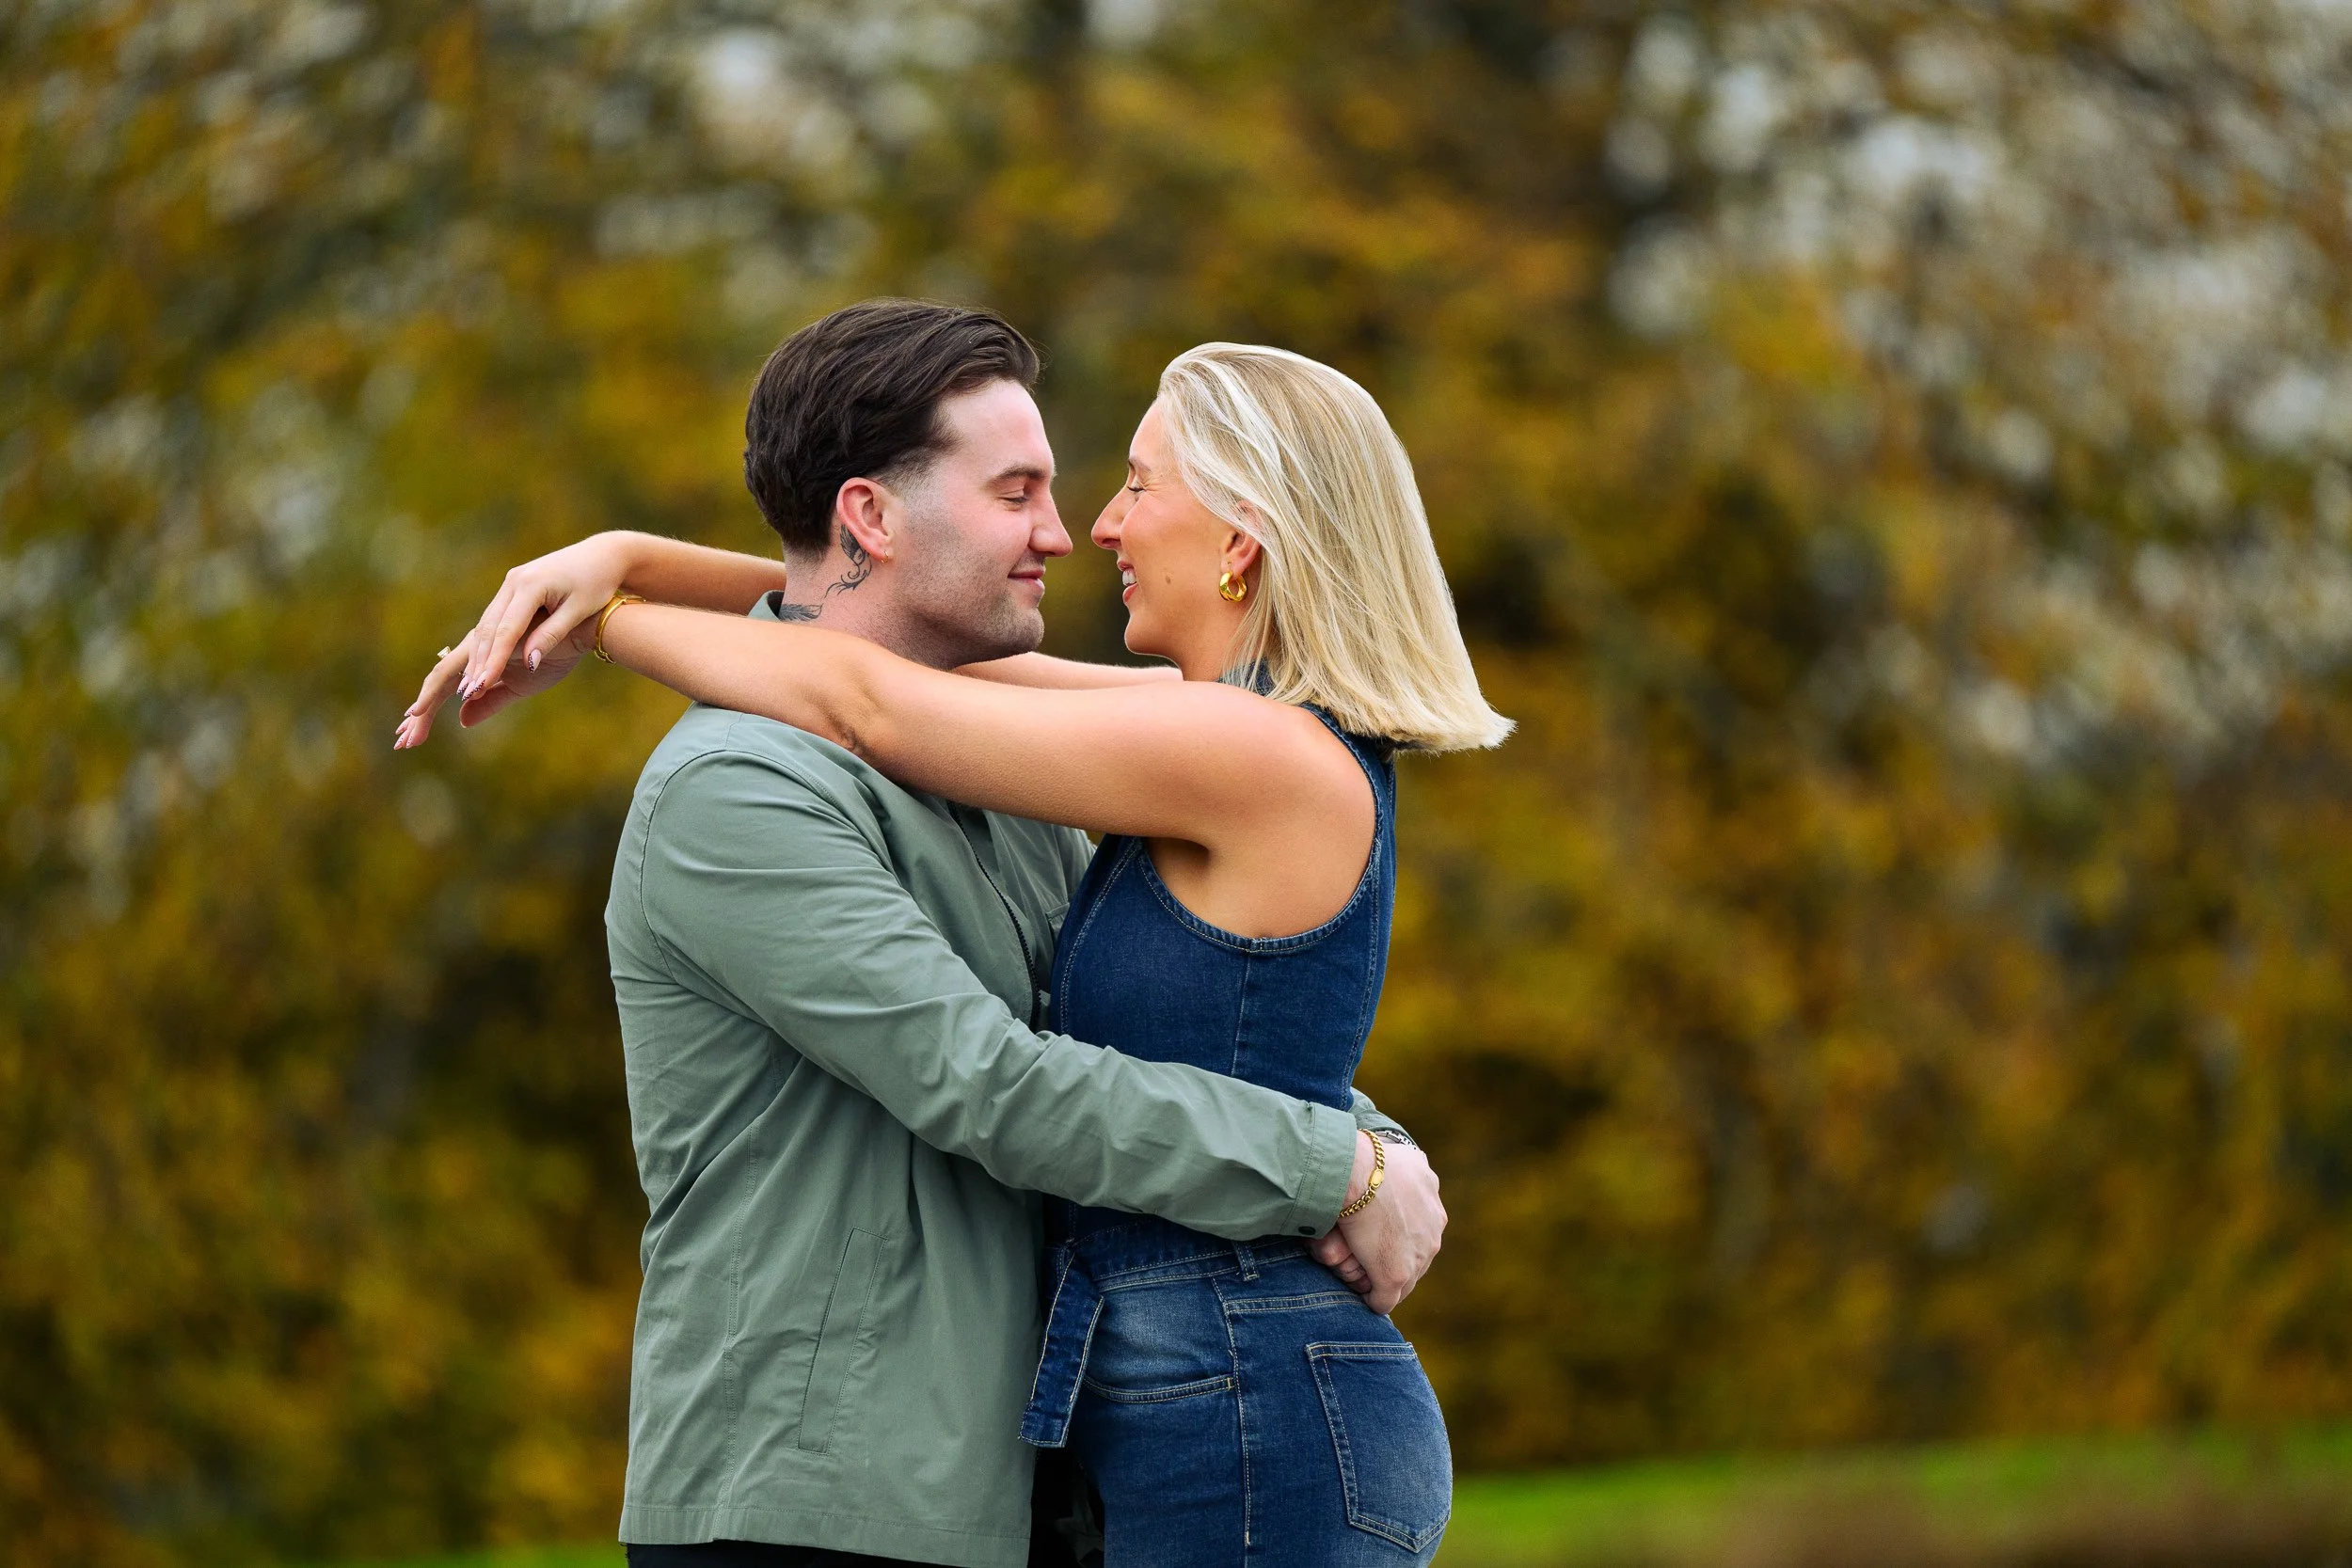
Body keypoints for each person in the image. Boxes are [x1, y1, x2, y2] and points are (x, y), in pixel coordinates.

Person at [397, 301, 1456, 1568]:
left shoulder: (1050, 771)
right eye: (1020, 491)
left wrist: (1360, 1140)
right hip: (817, 1510)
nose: (1073, 532)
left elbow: (1159, 1015)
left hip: (1019, 1485)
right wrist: (1333, 1160)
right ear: (873, 518)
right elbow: (995, 1080)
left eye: (1106, 487)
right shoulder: (742, 791)